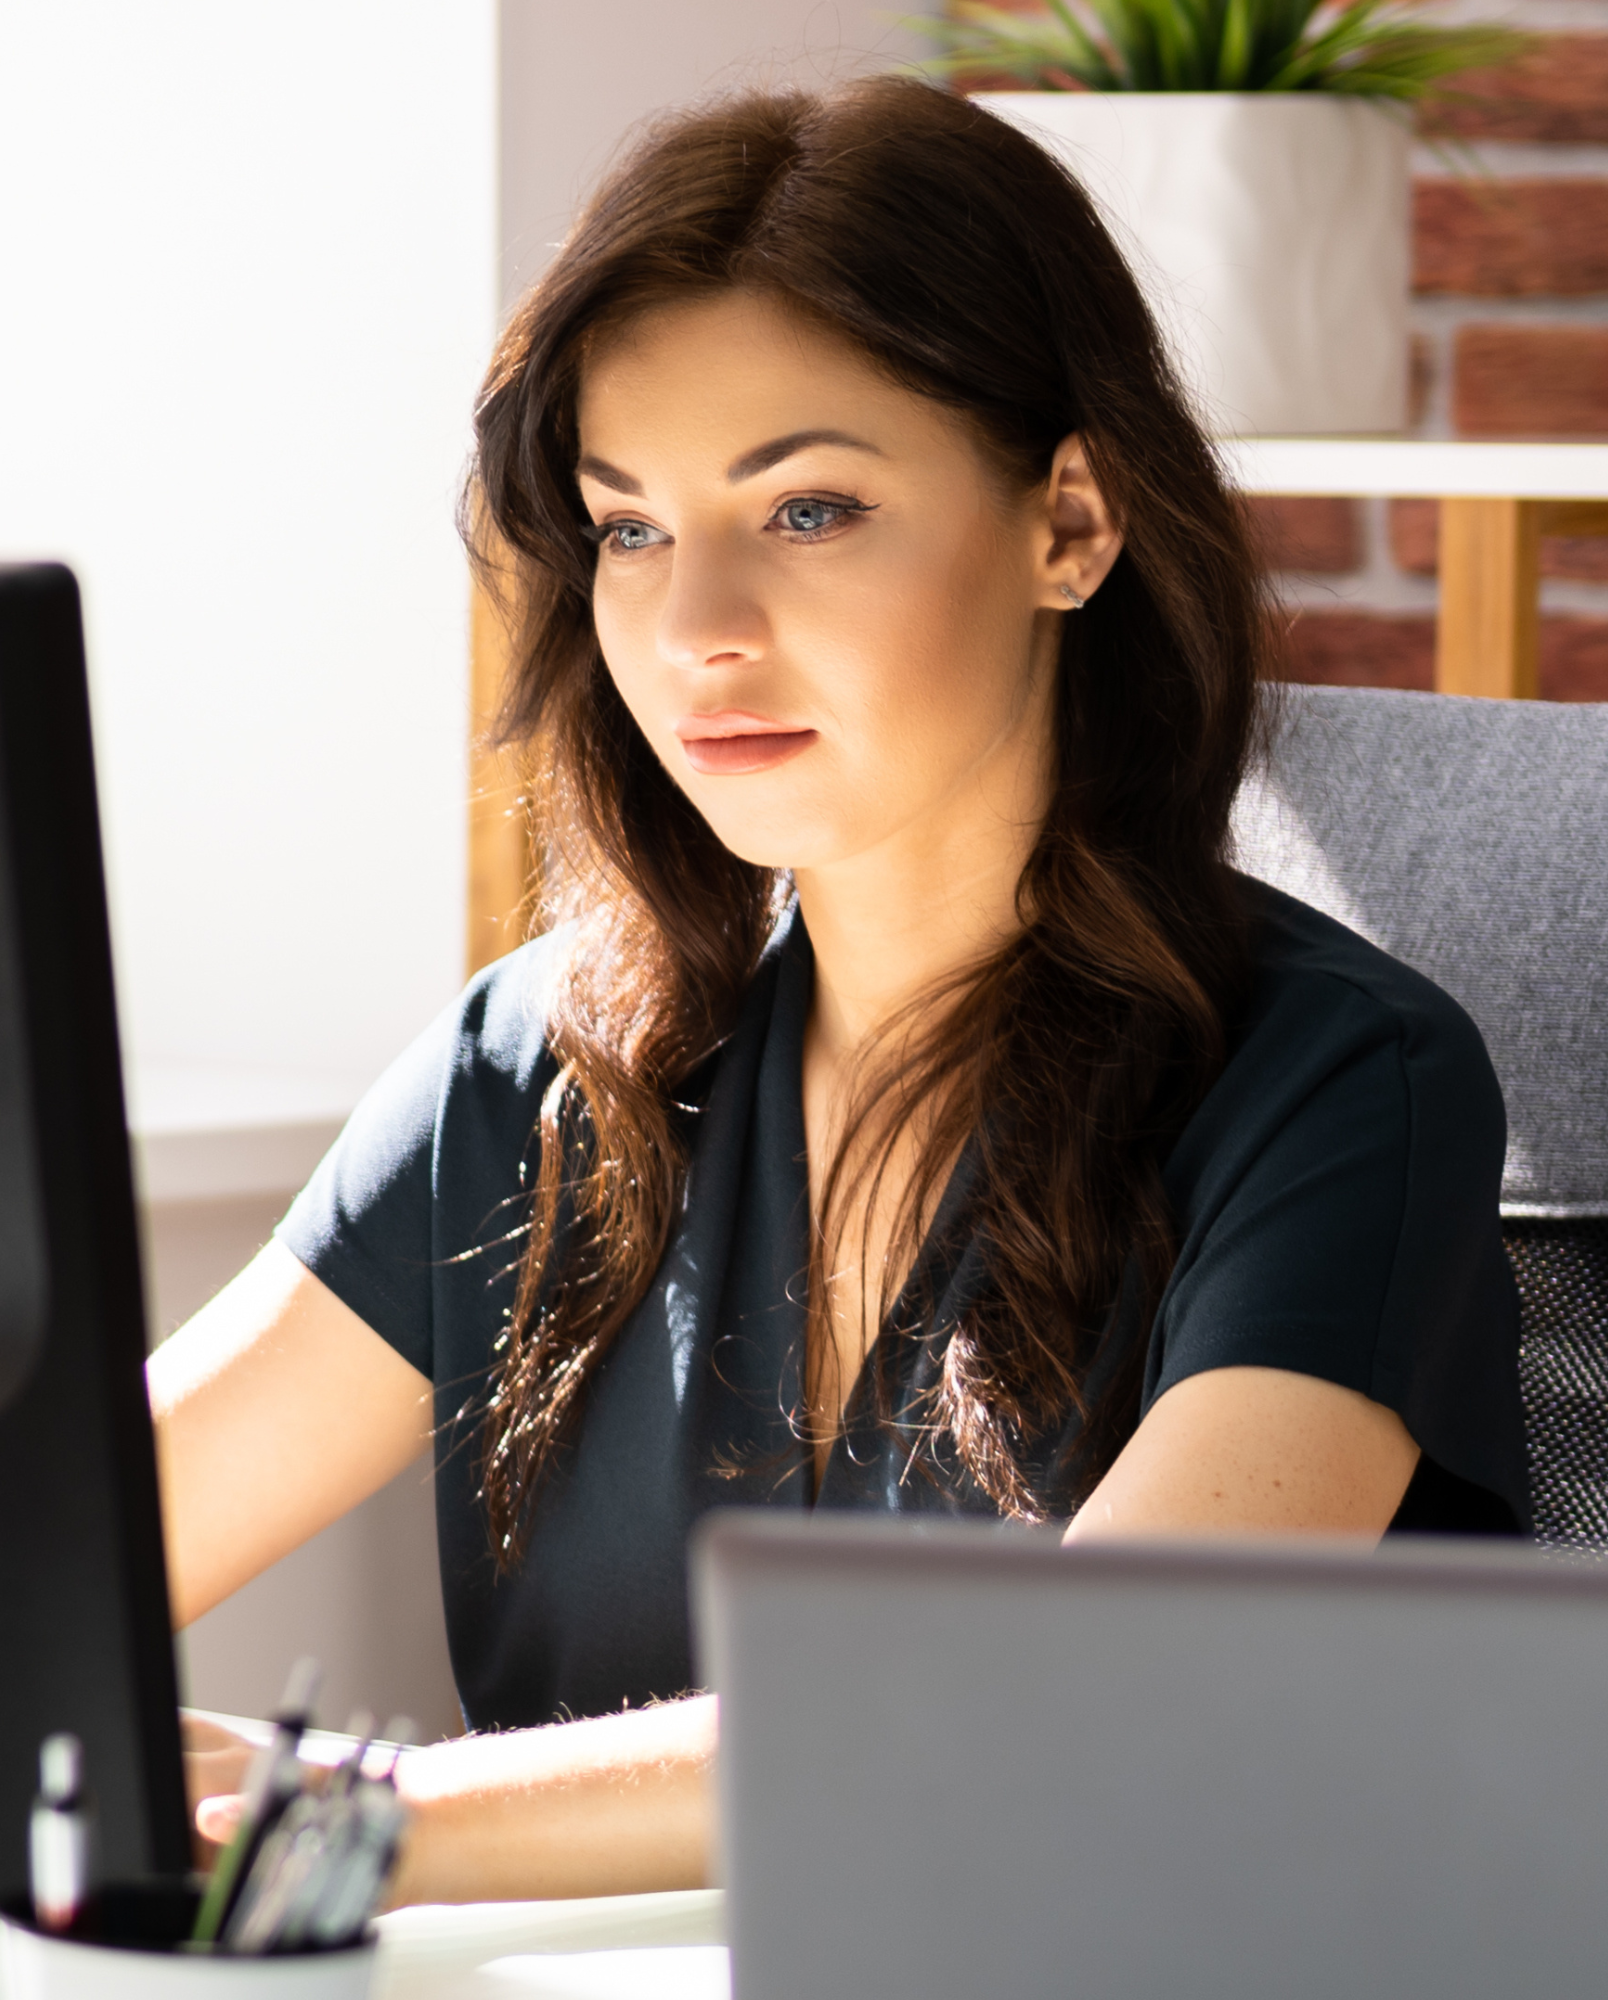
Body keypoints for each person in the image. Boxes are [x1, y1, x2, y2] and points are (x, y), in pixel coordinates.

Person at [149, 76, 1527, 1908]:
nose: (695, 621)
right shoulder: (533, 1070)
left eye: (808, 511)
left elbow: (1080, 1705)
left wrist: (353, 1816)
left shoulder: (1344, 1085)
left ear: (1070, 525)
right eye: (627, 526)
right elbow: (25, 1556)